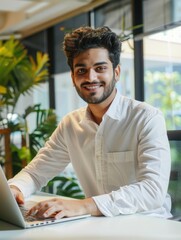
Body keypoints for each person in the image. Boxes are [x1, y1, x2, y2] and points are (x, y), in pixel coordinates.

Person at [8, 26, 172, 219]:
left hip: (148, 225)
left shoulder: (146, 118)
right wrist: (15, 188)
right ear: (73, 77)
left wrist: (85, 206)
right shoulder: (71, 124)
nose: (90, 77)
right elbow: (36, 173)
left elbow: (152, 191)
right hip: (98, 226)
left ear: (116, 72)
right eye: (81, 70)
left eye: (100, 68)